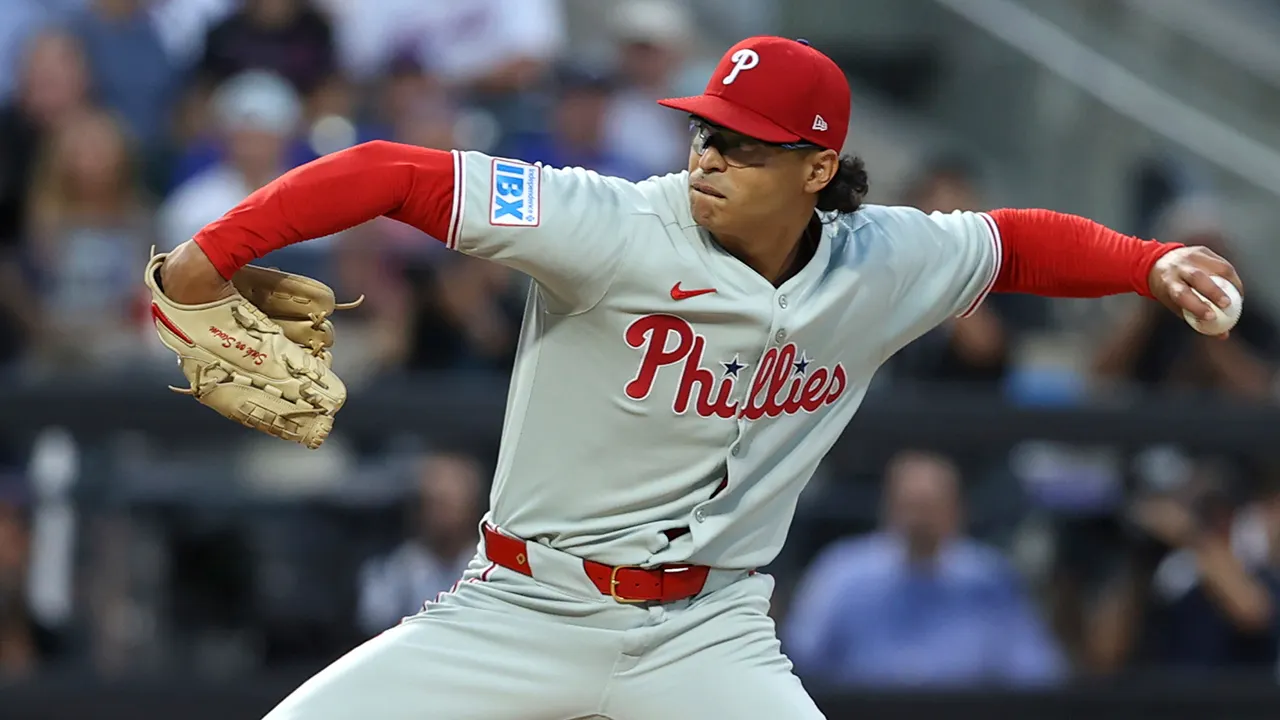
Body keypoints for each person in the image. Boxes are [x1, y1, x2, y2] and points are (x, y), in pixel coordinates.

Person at [151, 36, 1242, 720]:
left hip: (708, 633)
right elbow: (383, 172)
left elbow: (1010, 242)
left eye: (745, 145)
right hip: (523, 606)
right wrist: (210, 258)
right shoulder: (610, 225)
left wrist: (1146, 264)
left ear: (816, 171)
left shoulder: (883, 258)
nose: (709, 156)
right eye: (705, 131)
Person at [783, 450, 1065, 687]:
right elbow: (800, 660)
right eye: (911, 506)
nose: (919, 520)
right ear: (889, 507)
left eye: (930, 506)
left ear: (957, 510)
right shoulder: (842, 572)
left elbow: (1037, 670)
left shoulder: (990, 578)